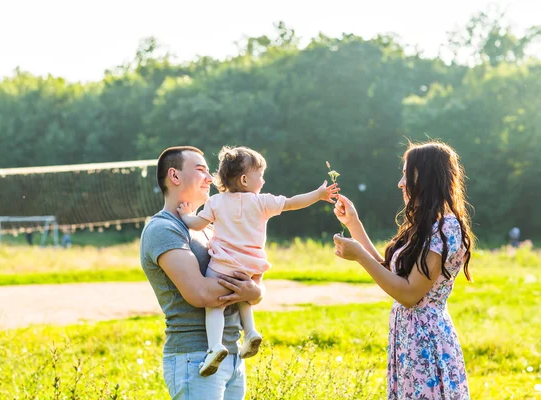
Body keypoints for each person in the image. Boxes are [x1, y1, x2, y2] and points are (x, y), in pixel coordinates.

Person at [177, 146, 338, 376]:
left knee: (215, 304)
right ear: (244, 179)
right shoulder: (262, 202)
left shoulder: (216, 202)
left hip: (223, 264)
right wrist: (318, 195)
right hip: (250, 266)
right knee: (243, 292)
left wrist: (184, 215)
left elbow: (197, 225)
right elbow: (293, 202)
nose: (262, 180)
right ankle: (251, 332)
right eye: (260, 175)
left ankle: (215, 347)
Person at [332, 141, 474, 399]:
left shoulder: (447, 228)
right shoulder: (423, 226)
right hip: (409, 337)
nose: (400, 182)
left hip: (426, 341)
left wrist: (360, 256)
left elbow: (409, 294)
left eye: (407, 174)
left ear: (427, 178)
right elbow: (394, 276)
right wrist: (353, 223)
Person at [140, 146, 264, 400]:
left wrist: (255, 291)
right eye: (200, 170)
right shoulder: (163, 229)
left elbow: (250, 287)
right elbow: (201, 294)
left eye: (209, 171)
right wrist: (248, 288)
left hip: (231, 355)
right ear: (174, 176)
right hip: (194, 358)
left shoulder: (208, 229)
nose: (211, 178)